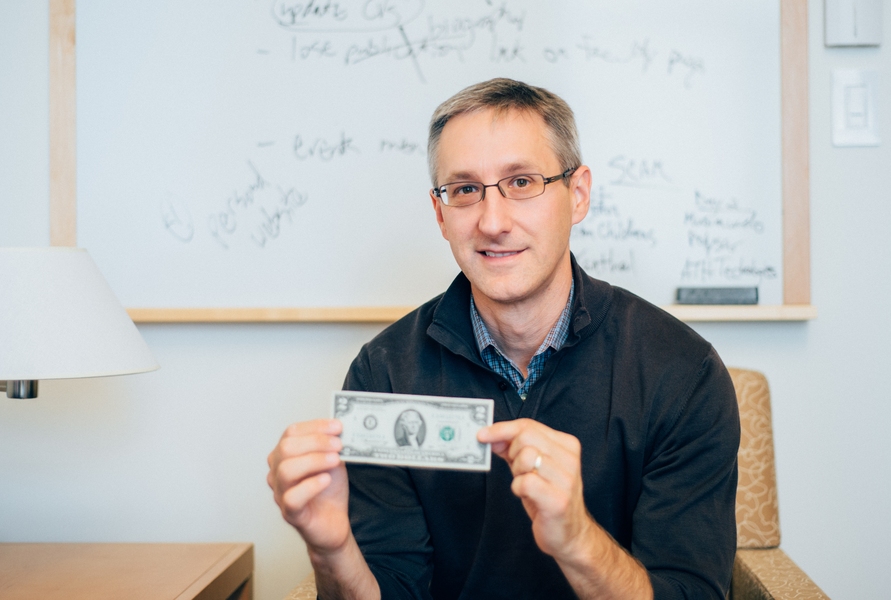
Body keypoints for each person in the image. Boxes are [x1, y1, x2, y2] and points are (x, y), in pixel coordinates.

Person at [267, 78, 740, 599]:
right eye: (465, 190)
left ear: (577, 194)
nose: (493, 222)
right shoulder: (384, 373)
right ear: (440, 214)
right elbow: (390, 586)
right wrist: (332, 552)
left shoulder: (683, 371)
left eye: (521, 182)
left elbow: (690, 590)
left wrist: (579, 542)